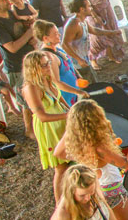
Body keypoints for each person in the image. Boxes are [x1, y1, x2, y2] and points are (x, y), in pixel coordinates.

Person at [54, 99, 128, 220]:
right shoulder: (99, 147)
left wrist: (73, 128)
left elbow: (58, 153)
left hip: (95, 188)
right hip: (112, 191)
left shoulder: (78, 142)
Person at [22, 51, 86, 201]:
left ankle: (75, 193)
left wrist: (72, 110)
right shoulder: (30, 88)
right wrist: (68, 115)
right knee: (61, 168)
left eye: (48, 63)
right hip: (49, 129)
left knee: (71, 159)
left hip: (62, 123)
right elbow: (42, 117)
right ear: (33, 68)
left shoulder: (47, 78)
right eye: (44, 65)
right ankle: (59, 203)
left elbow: (60, 99)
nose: (48, 67)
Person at [0, 0, 34, 136]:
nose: (8, 1)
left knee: (36, 93)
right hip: (16, 66)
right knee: (26, 98)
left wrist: (28, 25)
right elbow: (12, 48)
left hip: (29, 57)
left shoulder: (11, 13)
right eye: (3, 0)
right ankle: (28, 130)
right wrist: (30, 32)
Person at [79, 0, 125, 68]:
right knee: (96, 36)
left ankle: (111, 55)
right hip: (92, 10)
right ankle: (93, 59)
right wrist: (94, 15)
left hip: (106, 8)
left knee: (109, 29)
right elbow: (84, 0)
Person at [62, 0, 115, 83]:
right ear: (82, 9)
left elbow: (94, 30)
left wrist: (112, 32)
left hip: (84, 59)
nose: (91, 8)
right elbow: (64, 44)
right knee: (89, 85)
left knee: (93, 82)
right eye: (89, 6)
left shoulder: (82, 21)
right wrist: (79, 59)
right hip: (77, 64)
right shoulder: (73, 24)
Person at [33, 19, 80, 106]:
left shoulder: (57, 49)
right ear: (45, 38)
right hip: (66, 97)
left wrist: (78, 77)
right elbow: (56, 83)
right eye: (55, 34)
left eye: (58, 32)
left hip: (74, 92)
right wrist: (78, 91)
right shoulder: (48, 56)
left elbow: (70, 65)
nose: (59, 35)